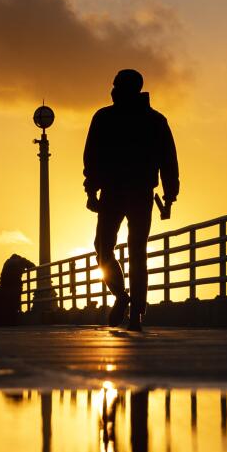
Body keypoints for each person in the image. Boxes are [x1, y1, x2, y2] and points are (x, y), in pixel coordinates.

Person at [82, 68, 179, 330]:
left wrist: (170, 196)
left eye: (115, 86)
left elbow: (168, 160)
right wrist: (91, 190)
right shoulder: (112, 118)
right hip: (124, 193)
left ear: (126, 89)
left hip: (128, 193)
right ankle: (126, 300)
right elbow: (92, 159)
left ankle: (134, 309)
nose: (112, 91)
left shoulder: (149, 120)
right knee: (115, 250)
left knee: (123, 250)